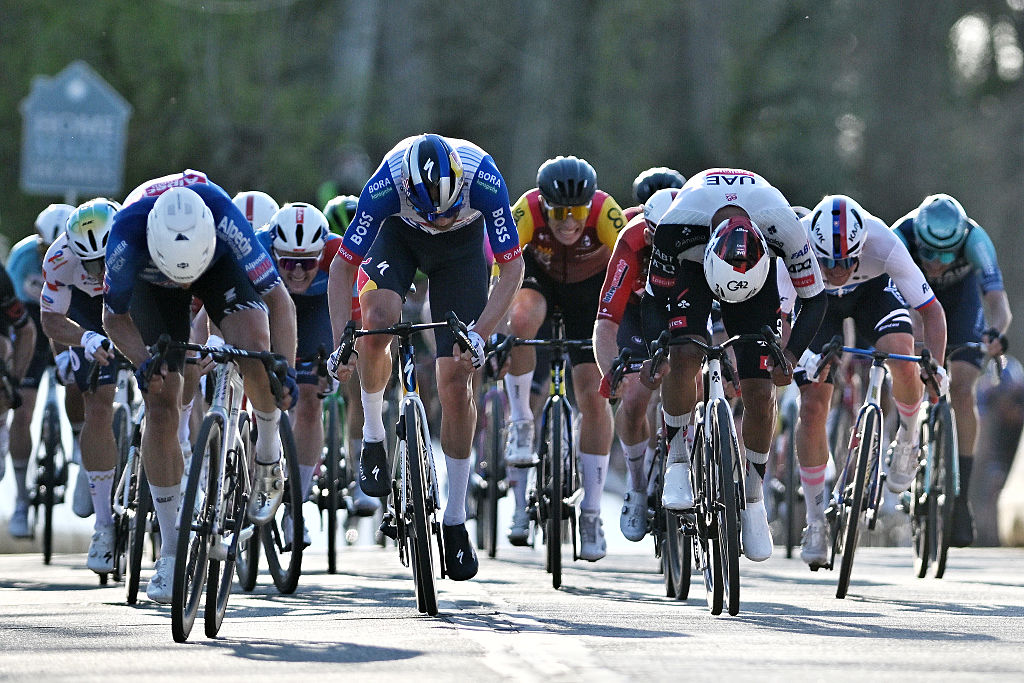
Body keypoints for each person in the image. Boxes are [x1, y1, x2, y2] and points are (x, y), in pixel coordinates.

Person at [327, 134, 523, 581]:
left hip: (462, 252)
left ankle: (455, 518)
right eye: (430, 213)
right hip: (397, 238)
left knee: (456, 379)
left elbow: (512, 267)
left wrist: (481, 334)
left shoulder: (484, 179)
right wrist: (345, 338)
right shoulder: (386, 184)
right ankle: (375, 435)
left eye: (448, 209)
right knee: (377, 324)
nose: (438, 220)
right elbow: (342, 266)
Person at [103, 170, 297, 603]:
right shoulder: (126, 235)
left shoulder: (224, 216)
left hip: (219, 267)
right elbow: (113, 318)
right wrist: (144, 363)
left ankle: (268, 453)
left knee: (256, 350)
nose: (185, 287)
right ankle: (171, 552)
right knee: (160, 401)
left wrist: (283, 368)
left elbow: (279, 299)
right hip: (152, 288)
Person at [642, 168, 828, 562]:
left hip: (755, 286)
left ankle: (753, 495)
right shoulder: (677, 225)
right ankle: (677, 456)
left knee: (762, 391)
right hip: (693, 267)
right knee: (686, 354)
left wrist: (790, 359)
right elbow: (655, 300)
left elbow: (816, 299)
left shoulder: (785, 227)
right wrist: (658, 349)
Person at [784, 195, 947, 568]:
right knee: (812, 404)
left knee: (903, 359)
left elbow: (931, 311)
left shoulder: (884, 242)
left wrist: (935, 367)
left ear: (861, 248)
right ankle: (815, 521)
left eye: (843, 262)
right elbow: (781, 316)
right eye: (826, 261)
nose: (836, 270)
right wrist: (798, 356)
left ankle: (907, 437)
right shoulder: (795, 242)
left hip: (872, 293)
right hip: (815, 303)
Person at [503, 155, 625, 560]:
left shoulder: (608, 212)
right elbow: (498, 265)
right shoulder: (526, 209)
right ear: (544, 203)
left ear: (590, 205)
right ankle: (521, 421)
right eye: (559, 213)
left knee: (593, 397)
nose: (569, 223)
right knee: (522, 315)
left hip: (588, 294)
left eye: (577, 213)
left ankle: (591, 511)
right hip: (538, 281)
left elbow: (632, 263)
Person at [892, 193, 1011, 547]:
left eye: (946, 256)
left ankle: (959, 496)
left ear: (960, 243)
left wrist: (996, 335)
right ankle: (906, 441)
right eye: (929, 254)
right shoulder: (902, 234)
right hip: (914, 300)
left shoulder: (977, 240)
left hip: (960, 304)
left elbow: (998, 303)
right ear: (919, 241)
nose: (937, 264)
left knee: (962, 388)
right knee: (908, 364)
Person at [256, 202, 377, 548]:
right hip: (268, 306)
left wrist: (341, 357)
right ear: (274, 250)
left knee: (309, 401)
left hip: (316, 314)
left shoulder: (338, 252)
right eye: (289, 262)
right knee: (260, 388)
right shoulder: (258, 247)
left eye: (307, 263)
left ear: (321, 250)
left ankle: (297, 505)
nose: (296, 272)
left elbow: (353, 317)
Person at [38, 198, 126, 574]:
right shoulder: (57, 260)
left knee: (165, 392)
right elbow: (50, 319)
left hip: (138, 299)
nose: (100, 269)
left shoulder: (139, 238)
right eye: (91, 264)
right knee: (98, 403)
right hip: (89, 311)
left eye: (104, 260)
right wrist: (86, 339)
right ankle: (104, 524)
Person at [593, 187, 679, 541]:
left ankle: (691, 456)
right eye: (661, 239)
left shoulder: (701, 234)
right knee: (632, 396)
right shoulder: (630, 242)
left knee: (695, 377)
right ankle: (638, 483)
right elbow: (606, 323)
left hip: (681, 307)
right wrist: (612, 370)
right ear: (647, 232)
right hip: (636, 313)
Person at [6, 203, 91, 529]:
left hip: (62, 320)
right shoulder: (22, 256)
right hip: (29, 326)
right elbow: (12, 317)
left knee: (75, 379)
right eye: (43, 247)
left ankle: (78, 438)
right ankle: (21, 502)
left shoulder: (78, 256)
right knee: (23, 407)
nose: (47, 254)